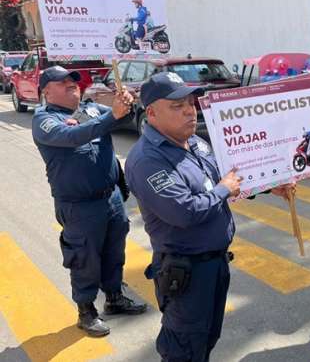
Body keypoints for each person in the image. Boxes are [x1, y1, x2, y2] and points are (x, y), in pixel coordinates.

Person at [125, 72, 292, 361]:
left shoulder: (195, 143)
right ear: (151, 113)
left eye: (190, 102)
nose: (190, 110)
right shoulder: (147, 160)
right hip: (185, 272)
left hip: (214, 265)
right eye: (177, 106)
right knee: (184, 349)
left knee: (206, 340)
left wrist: (268, 187)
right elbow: (184, 211)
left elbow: (226, 179)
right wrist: (223, 190)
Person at [32, 65, 146, 337]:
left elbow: (118, 117)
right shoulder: (45, 119)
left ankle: (115, 298)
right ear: (47, 90)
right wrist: (112, 116)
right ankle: (86, 312)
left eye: (73, 80)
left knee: (114, 252)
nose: (72, 84)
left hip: (111, 198)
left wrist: (126, 103)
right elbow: (71, 136)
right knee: (84, 259)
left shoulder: (92, 109)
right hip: (79, 206)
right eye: (62, 82)